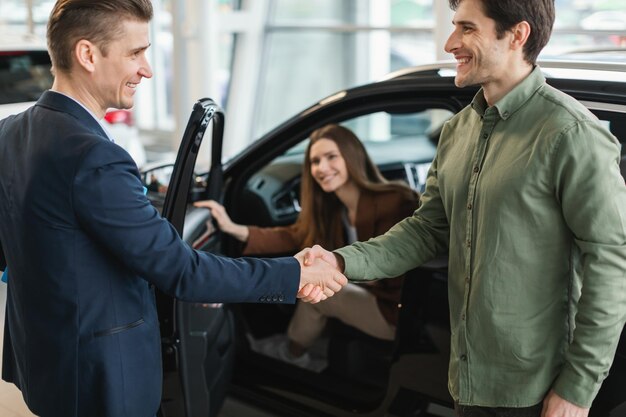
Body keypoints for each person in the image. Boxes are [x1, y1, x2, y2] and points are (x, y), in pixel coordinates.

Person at [0, 1, 346, 417]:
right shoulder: (92, 156)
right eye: (135, 53)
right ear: (88, 55)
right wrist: (295, 273)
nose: (146, 69)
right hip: (100, 377)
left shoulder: (12, 131)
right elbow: (184, 272)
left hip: (47, 359)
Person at [301, 0, 626, 416]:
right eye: (454, 26)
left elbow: (610, 262)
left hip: (538, 392)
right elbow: (426, 230)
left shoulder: (571, 134)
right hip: (466, 379)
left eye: (467, 28)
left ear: (517, 35)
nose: (450, 42)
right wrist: (339, 263)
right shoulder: (458, 131)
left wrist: (577, 391)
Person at [195, 124, 419, 368]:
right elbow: (292, 235)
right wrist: (230, 227)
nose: (322, 168)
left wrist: (318, 273)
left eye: (331, 157)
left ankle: (292, 355)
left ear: (352, 156)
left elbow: (395, 267)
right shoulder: (334, 210)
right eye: (315, 161)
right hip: (372, 295)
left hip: (397, 313)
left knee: (319, 297)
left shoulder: (395, 201)